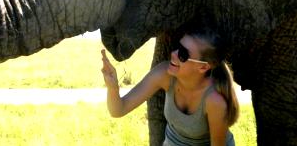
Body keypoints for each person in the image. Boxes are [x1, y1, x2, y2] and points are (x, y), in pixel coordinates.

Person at [101, 29, 239, 146]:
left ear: (203, 67)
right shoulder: (164, 74)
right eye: (177, 47)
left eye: (183, 54)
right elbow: (118, 110)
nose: (173, 54)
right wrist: (113, 88)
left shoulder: (214, 101)